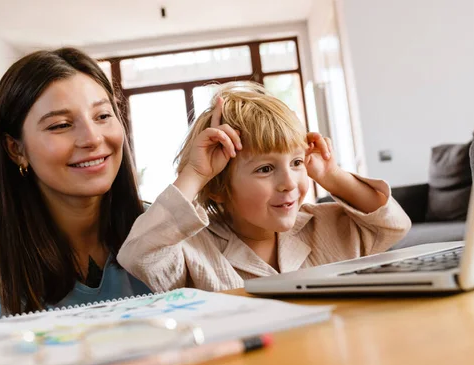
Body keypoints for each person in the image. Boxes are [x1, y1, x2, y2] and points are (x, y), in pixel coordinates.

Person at [117, 82, 411, 292]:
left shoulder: (325, 225)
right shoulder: (193, 251)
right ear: (218, 187)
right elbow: (138, 255)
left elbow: (393, 226)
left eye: (297, 163)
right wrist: (195, 173)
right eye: (265, 169)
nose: (288, 184)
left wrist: (331, 174)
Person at [0, 48, 151, 321]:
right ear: (15, 149)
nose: (92, 139)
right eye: (60, 125)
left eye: (103, 116)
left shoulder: (158, 229)